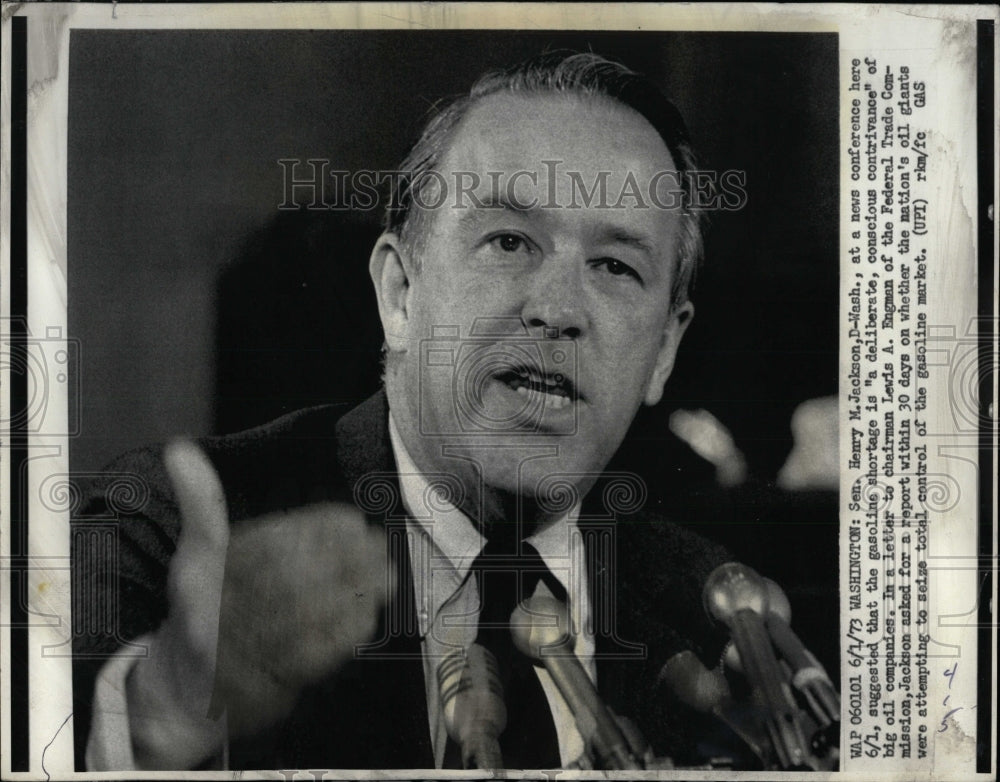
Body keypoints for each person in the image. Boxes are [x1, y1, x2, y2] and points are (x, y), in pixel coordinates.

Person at [72, 51, 743, 771]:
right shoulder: (167, 536)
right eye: (509, 242)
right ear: (400, 293)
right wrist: (170, 705)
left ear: (665, 351)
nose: (557, 310)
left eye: (615, 267)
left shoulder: (719, 616)